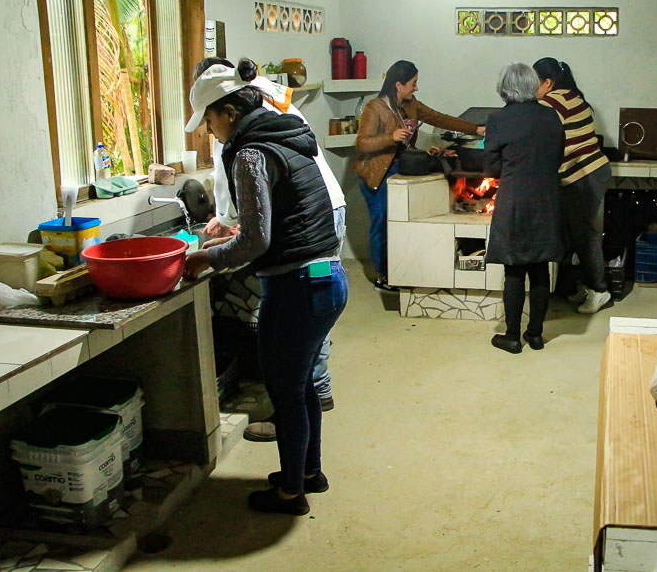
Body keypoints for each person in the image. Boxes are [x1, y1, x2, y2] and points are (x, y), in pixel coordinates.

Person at [183, 61, 347, 515]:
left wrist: (204, 257)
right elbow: (276, 219)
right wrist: (231, 237)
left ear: (230, 111)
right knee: (302, 384)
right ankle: (308, 472)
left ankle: (290, 492)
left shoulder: (251, 152)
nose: (209, 132)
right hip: (327, 277)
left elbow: (258, 240)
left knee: (286, 391)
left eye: (210, 121)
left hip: (296, 288)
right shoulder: (287, 133)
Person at [353, 60, 484, 292]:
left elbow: (439, 118)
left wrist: (475, 129)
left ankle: (400, 270)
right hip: (376, 173)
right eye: (412, 84)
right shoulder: (375, 108)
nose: (416, 88)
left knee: (398, 223)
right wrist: (391, 137)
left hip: (398, 169)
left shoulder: (411, 104)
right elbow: (362, 144)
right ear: (398, 85)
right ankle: (383, 277)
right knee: (382, 223)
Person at [483, 63, 564, 354]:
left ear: (504, 88)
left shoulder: (498, 119)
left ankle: (513, 336)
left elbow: (491, 166)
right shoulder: (551, 115)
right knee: (540, 267)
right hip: (547, 199)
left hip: (515, 199)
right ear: (533, 85)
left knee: (514, 270)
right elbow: (558, 157)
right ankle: (536, 334)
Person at [533, 57, 612, 315]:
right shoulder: (573, 95)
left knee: (584, 235)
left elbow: (537, 130)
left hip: (583, 174)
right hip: (590, 171)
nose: (532, 89)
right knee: (575, 234)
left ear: (547, 82)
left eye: (534, 83)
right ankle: (586, 285)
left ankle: (599, 290)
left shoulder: (552, 101)